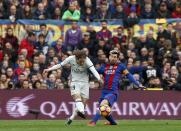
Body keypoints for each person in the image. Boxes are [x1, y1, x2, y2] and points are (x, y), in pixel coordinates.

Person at [43, 49, 100, 125]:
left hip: (85, 83)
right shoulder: (71, 58)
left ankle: (71, 118)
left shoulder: (87, 60)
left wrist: (99, 79)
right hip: (75, 82)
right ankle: (82, 111)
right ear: (77, 58)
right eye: (81, 60)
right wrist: (49, 69)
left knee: (83, 103)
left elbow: (94, 70)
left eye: (84, 59)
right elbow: (60, 65)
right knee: (77, 98)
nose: (82, 61)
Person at [88, 50, 144, 126]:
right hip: (104, 91)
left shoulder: (121, 66)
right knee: (104, 111)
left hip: (113, 92)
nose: (113, 58)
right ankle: (113, 123)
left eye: (115, 57)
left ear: (117, 58)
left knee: (103, 105)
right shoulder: (104, 66)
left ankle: (93, 122)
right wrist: (85, 69)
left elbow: (129, 75)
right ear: (109, 57)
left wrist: (138, 84)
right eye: (112, 56)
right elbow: (94, 71)